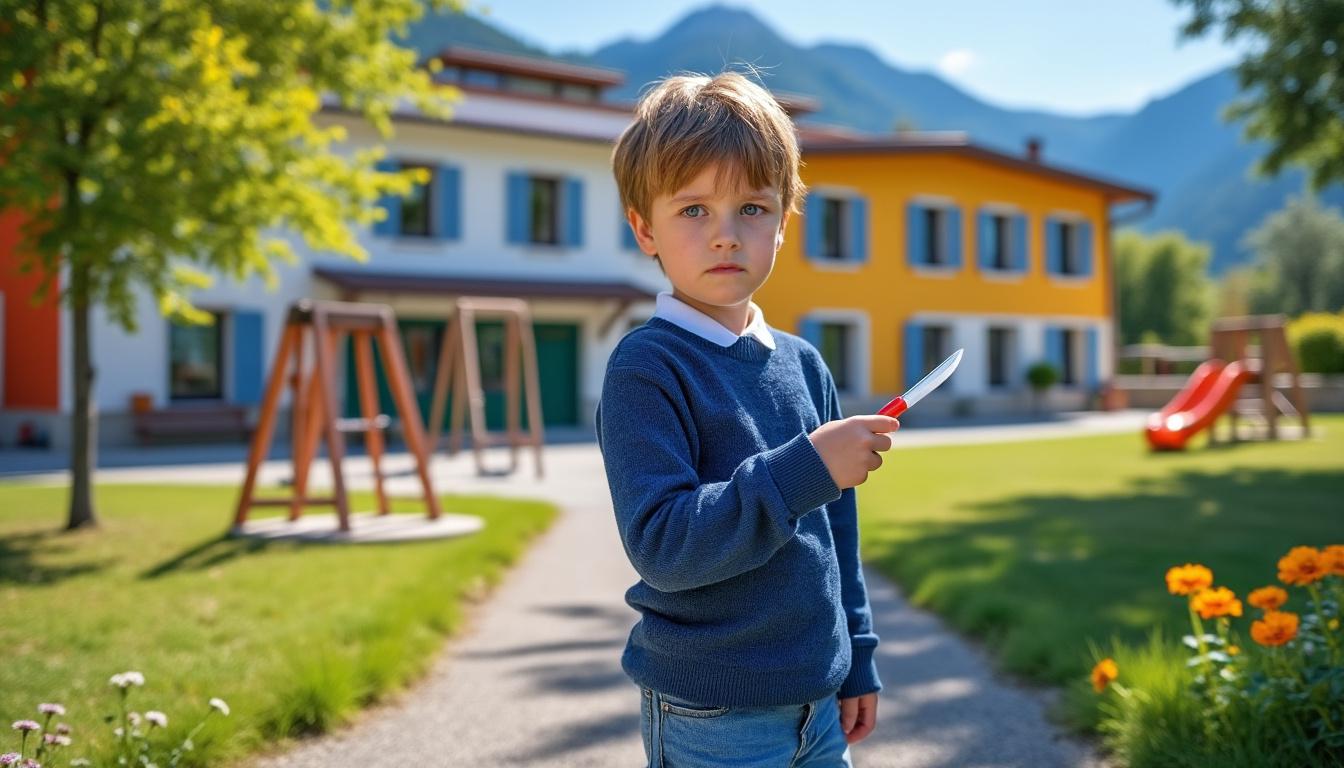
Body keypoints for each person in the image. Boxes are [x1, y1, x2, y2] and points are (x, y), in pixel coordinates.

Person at [595, 70, 899, 767]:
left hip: (820, 703)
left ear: (785, 222)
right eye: (694, 211)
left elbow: (836, 534)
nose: (726, 236)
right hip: (712, 715)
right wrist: (804, 471)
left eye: (753, 210)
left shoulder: (804, 364)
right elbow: (665, 546)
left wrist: (857, 656)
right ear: (645, 228)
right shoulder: (646, 369)